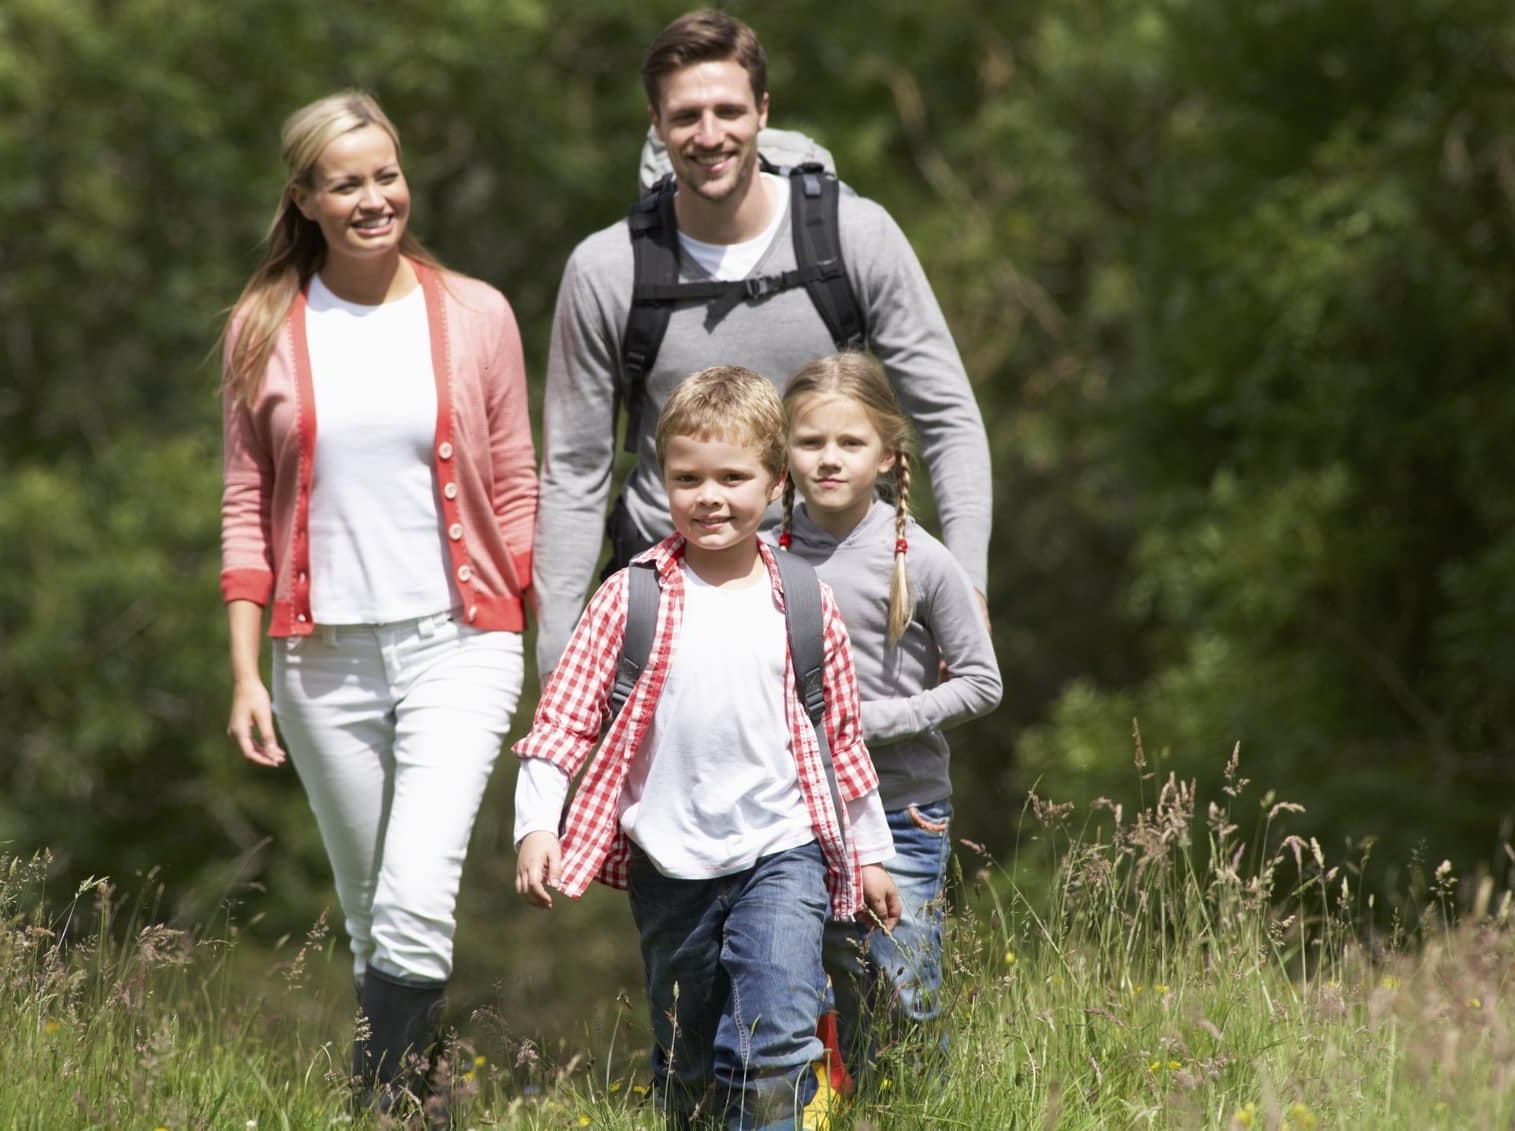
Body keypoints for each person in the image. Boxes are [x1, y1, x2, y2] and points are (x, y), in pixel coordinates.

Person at [218, 90, 536, 1109]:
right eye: (346, 183)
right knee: (366, 919)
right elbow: (243, 501)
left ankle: (373, 1109)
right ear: (305, 198)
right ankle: (418, 1102)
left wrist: (537, 622)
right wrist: (241, 671)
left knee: (409, 903)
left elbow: (520, 483)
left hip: (461, 642)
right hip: (319, 661)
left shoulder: (475, 313)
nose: (373, 199)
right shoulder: (262, 326)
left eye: (386, 175)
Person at [533, 7, 992, 676]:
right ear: (656, 126)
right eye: (686, 116)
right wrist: (557, 655)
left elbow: (947, 417)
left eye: (728, 110)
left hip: (845, 596)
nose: (709, 134)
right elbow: (574, 470)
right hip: (675, 603)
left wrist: (964, 586)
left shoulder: (854, 238)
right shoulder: (607, 269)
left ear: (762, 112)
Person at [512, 366, 902, 1130]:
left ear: (776, 482)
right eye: (687, 478)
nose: (709, 496)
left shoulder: (802, 597)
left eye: (732, 476)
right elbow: (560, 722)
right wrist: (535, 825)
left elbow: (839, 739)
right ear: (663, 483)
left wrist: (868, 851)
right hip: (670, 859)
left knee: (775, 1040)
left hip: (782, 849)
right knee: (688, 1059)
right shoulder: (632, 595)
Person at [779, 352, 1003, 1084]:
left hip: (901, 808)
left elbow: (980, 682)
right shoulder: (762, 554)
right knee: (803, 988)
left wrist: (870, 720)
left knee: (900, 991)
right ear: (784, 451)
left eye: (849, 443)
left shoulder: (922, 558)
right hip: (788, 813)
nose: (829, 459)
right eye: (810, 443)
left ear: (886, 453)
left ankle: (909, 1106)